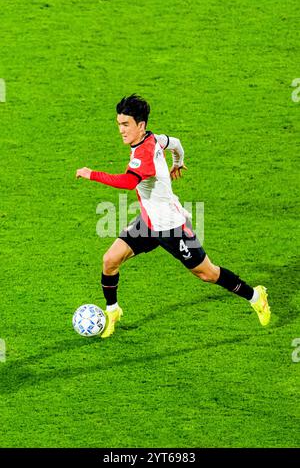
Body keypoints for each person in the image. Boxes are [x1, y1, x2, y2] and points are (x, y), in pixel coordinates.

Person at [76, 94, 271, 338]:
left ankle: (256, 296)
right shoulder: (154, 139)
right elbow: (175, 142)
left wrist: (91, 173)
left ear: (141, 125)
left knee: (207, 273)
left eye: (125, 125)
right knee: (110, 260)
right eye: (119, 124)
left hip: (172, 227)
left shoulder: (143, 154)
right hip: (148, 223)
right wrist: (178, 162)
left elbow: (128, 183)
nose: (121, 130)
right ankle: (113, 311)